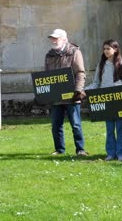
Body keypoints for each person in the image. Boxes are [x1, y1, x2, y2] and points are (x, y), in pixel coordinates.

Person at [85, 39, 122, 161]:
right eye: (104, 49)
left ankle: (121, 154)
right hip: (106, 101)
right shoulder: (101, 65)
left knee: (120, 128)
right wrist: (85, 90)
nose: (106, 51)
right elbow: (96, 83)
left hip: (120, 100)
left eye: (108, 48)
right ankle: (111, 153)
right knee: (109, 129)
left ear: (115, 49)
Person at [45, 28, 88, 156]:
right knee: (56, 125)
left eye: (56, 38)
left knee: (75, 124)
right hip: (56, 96)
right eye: (52, 38)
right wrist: (44, 94)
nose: (53, 40)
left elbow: (80, 73)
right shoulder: (49, 55)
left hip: (72, 96)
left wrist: (78, 91)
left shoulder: (74, 52)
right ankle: (59, 149)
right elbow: (46, 76)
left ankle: (80, 149)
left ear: (64, 39)